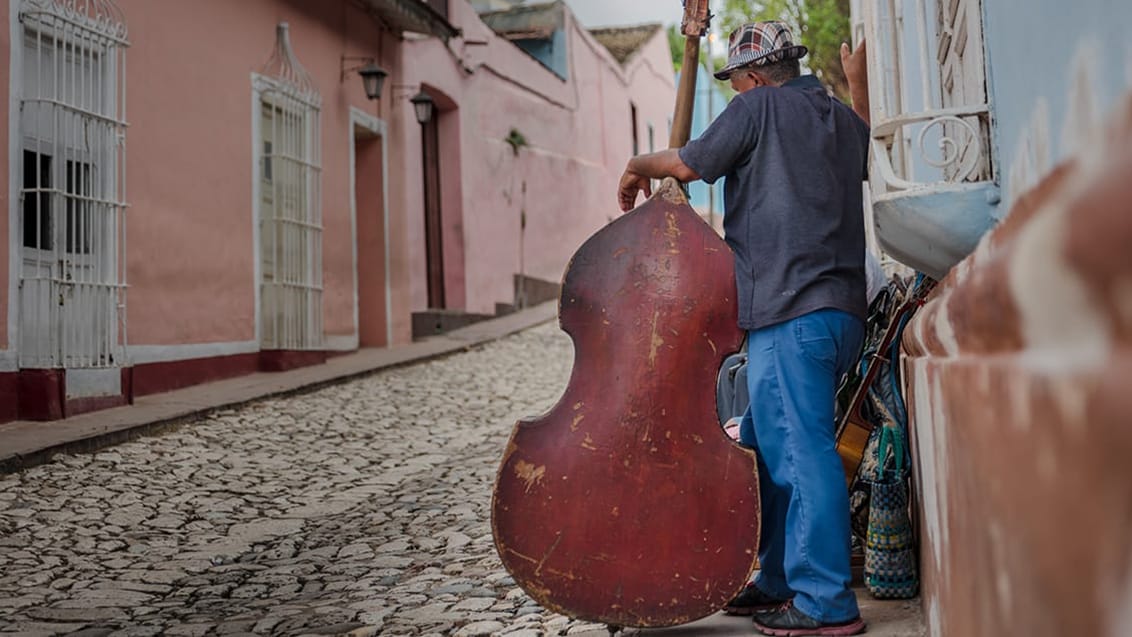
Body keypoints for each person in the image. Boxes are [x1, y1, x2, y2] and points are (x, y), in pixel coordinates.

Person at [617, 22, 871, 636]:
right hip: (839, 315)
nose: (736, 93)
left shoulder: (755, 108)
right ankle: (779, 578)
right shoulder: (835, 115)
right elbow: (866, 152)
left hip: (790, 314)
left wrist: (633, 162)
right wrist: (860, 90)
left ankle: (825, 601)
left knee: (802, 454)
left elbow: (687, 163)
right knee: (763, 440)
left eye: (736, 83)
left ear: (752, 78)